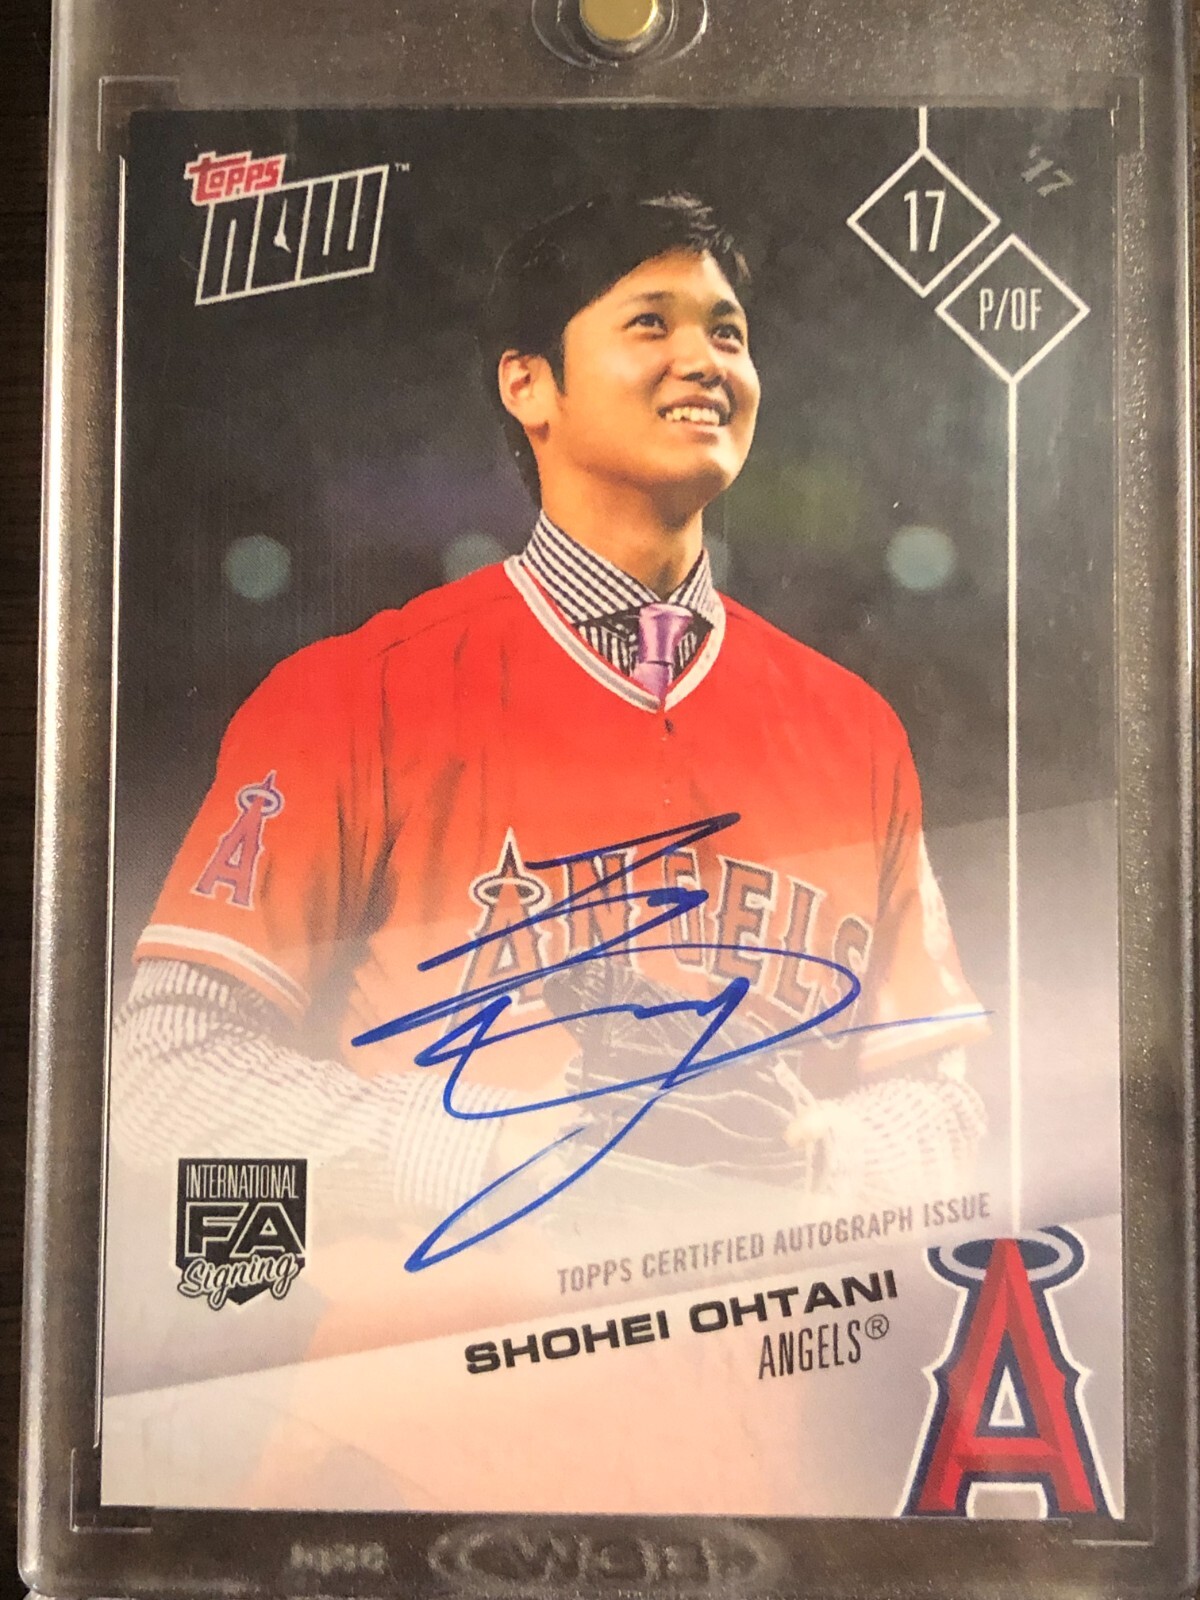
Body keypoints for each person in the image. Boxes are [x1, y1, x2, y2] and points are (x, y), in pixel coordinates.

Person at [113, 192, 987, 1244]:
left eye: (728, 333)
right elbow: (164, 1085)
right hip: (443, 1346)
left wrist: (815, 1155)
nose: (705, 360)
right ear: (529, 383)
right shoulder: (351, 697)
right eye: (651, 323)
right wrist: (495, 1147)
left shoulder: (856, 728)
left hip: (761, 1351)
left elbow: (944, 1104)